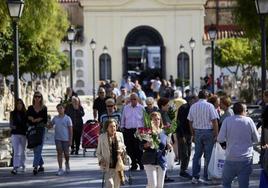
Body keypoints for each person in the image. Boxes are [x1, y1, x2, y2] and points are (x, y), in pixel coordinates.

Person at [217, 102, 260, 188]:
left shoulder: (227, 120)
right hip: (245, 159)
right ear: (244, 111)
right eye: (246, 110)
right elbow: (257, 139)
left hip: (230, 158)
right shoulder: (249, 121)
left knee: (226, 183)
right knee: (244, 185)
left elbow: (220, 139)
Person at [187, 90, 219, 184]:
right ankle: (207, 176)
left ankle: (195, 177)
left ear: (199, 96)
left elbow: (190, 121)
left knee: (197, 155)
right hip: (208, 132)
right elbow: (214, 121)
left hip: (197, 132)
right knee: (208, 155)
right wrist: (216, 134)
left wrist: (192, 133)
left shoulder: (193, 106)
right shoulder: (210, 106)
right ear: (207, 97)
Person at [142, 112, 169, 188]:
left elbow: (164, 145)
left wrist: (168, 145)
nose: (157, 121)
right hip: (149, 160)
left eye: (158, 119)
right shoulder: (146, 132)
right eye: (154, 119)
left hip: (161, 160)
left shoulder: (163, 132)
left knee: (160, 186)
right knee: (153, 185)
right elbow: (140, 146)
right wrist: (146, 145)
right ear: (150, 121)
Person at [96, 119, 126, 188]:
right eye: (111, 126)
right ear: (106, 128)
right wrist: (101, 160)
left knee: (116, 186)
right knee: (110, 184)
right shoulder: (101, 137)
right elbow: (98, 152)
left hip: (118, 166)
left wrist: (122, 151)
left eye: (114, 126)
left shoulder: (120, 135)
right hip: (107, 167)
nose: (113, 128)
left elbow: (124, 147)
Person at [121, 93, 144, 171]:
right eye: (131, 99)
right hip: (128, 131)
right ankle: (133, 163)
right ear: (129, 100)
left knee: (139, 148)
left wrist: (145, 131)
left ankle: (141, 163)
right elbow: (123, 118)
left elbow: (144, 120)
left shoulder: (141, 108)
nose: (133, 101)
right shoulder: (126, 108)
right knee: (129, 148)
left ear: (137, 100)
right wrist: (122, 127)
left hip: (138, 130)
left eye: (134, 99)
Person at [176, 95, 198, 179]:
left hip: (188, 133)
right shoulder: (184, 107)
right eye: (195, 101)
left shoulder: (192, 108)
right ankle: (183, 170)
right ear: (191, 100)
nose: (196, 103)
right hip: (183, 133)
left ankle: (184, 170)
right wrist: (182, 136)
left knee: (188, 152)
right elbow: (180, 122)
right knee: (184, 153)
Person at [27, 91, 48, 175]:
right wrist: (31, 118)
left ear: (41, 98)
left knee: (39, 147)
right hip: (32, 129)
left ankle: (35, 167)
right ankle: (41, 165)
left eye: (39, 97)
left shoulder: (44, 108)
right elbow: (27, 117)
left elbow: (45, 119)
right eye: (36, 96)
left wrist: (38, 119)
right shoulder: (30, 108)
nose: (37, 98)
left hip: (41, 129)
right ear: (33, 97)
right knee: (35, 148)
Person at [49, 103, 73, 176]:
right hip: (58, 138)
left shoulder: (67, 118)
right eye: (58, 109)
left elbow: (70, 130)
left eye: (61, 108)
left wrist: (70, 140)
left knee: (66, 154)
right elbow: (50, 126)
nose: (59, 110)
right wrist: (47, 122)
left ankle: (67, 163)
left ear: (64, 109)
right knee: (59, 153)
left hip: (66, 139)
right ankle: (60, 168)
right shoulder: (55, 118)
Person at [10, 98, 28, 175]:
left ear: (22, 104)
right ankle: (15, 167)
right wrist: (14, 127)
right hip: (15, 134)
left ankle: (23, 165)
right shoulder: (12, 113)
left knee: (23, 151)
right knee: (16, 151)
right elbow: (11, 124)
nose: (19, 105)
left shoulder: (26, 113)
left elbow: (28, 123)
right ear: (16, 105)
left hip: (23, 134)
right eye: (17, 103)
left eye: (20, 103)